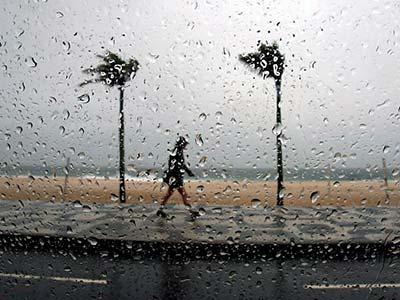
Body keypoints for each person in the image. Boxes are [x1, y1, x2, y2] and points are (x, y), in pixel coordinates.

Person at [157, 136, 199, 218]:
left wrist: (188, 172)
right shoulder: (176, 152)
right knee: (183, 194)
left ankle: (160, 209)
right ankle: (191, 212)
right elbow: (172, 165)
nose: (185, 146)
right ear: (181, 144)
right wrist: (175, 177)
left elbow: (181, 165)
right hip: (175, 178)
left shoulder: (179, 151)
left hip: (176, 178)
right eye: (184, 144)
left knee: (171, 194)